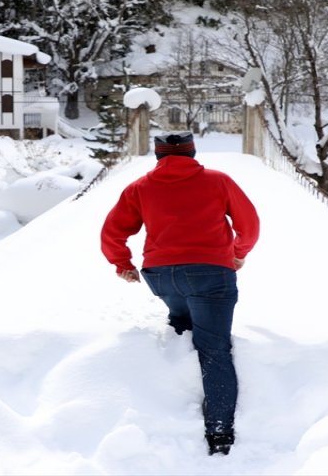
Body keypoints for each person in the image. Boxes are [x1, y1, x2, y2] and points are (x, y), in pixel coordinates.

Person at [100, 131, 260, 456]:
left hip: (162, 275)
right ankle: (219, 432)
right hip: (210, 273)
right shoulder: (219, 181)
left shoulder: (140, 187)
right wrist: (237, 252)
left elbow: (112, 230)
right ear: (193, 152)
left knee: (182, 328)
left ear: (158, 156)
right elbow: (250, 223)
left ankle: (174, 403)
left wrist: (122, 263)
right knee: (213, 348)